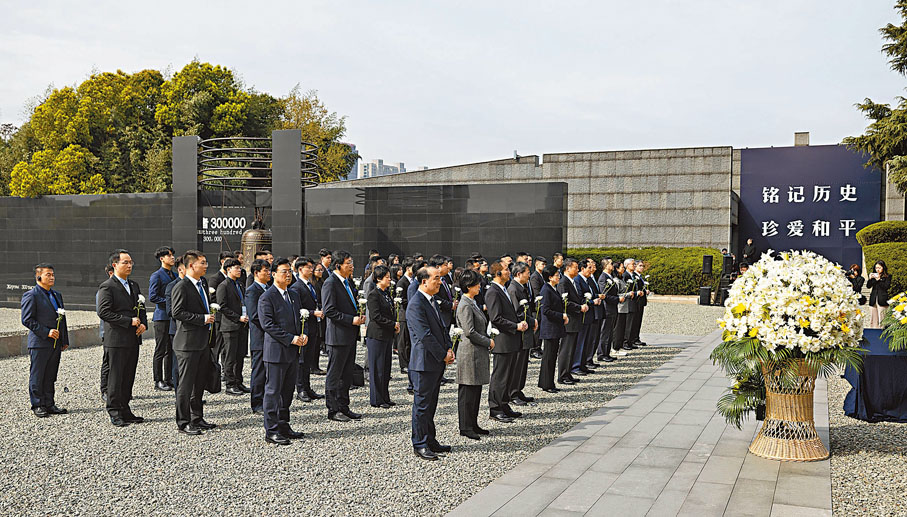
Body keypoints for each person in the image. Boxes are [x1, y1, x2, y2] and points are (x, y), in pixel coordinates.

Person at [407, 266, 455, 460]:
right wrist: (442, 354)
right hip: (424, 362)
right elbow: (425, 336)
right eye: (436, 278)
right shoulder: (416, 303)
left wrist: (449, 348)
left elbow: (442, 328)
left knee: (431, 403)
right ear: (424, 281)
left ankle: (430, 439)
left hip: (435, 361)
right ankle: (419, 443)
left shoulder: (431, 300)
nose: (440, 282)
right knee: (422, 404)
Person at [258, 258, 308, 445]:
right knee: (273, 391)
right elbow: (268, 325)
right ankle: (271, 430)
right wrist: (291, 338)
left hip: (293, 351)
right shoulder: (267, 297)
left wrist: (303, 335)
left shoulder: (293, 295)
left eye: (290, 271)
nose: (288, 275)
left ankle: (283, 424)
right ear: (273, 274)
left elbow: (299, 320)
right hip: (276, 352)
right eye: (284, 271)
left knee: (287, 391)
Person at [96, 249, 148, 427]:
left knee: (128, 376)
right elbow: (103, 312)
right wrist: (128, 321)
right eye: (125, 262)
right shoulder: (107, 286)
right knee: (116, 377)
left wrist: (143, 324)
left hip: (133, 338)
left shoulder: (133, 285)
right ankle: (114, 411)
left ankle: (126, 409)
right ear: (114, 265)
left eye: (131, 262)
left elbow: (140, 308)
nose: (129, 265)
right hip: (117, 339)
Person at [171, 250, 216, 436]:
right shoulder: (181, 287)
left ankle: (197, 417)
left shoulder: (202, 284)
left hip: (202, 342)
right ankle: (183, 422)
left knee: (199, 383)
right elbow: (177, 312)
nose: (206, 266)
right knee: (185, 385)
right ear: (191, 265)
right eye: (202, 263)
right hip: (187, 343)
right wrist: (202, 318)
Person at [322, 250, 365, 422]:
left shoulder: (347, 283)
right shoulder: (330, 283)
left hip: (349, 336)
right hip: (337, 337)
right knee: (335, 374)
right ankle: (333, 409)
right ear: (338, 265)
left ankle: (344, 406)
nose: (352, 266)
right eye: (349, 263)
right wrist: (351, 320)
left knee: (346, 374)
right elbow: (329, 310)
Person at [21, 263, 69, 418]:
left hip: (55, 343)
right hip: (40, 343)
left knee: (51, 374)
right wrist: (46, 332)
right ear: (38, 276)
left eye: (53, 274)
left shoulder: (57, 295)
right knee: (38, 374)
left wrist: (64, 339)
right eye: (48, 274)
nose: (52, 277)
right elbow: (27, 319)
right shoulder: (31, 295)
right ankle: (38, 404)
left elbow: (62, 320)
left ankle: (49, 403)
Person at [486, 261, 529, 422]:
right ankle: (495, 408)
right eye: (505, 270)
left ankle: (504, 404)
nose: (509, 272)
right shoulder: (493, 291)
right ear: (497, 273)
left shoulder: (503, 289)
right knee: (500, 376)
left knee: (508, 375)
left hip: (511, 340)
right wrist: (515, 326)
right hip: (502, 341)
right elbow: (496, 318)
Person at [455, 269, 493, 440]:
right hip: (469, 353)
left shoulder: (472, 302)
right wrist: (488, 341)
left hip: (477, 353)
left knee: (476, 390)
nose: (480, 286)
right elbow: (469, 331)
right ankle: (465, 426)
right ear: (468, 286)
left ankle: (473, 423)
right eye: (477, 283)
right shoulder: (464, 304)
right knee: (467, 391)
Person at [289, 257, 325, 403]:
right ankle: (301, 389)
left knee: (308, 359)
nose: (311, 270)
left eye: (311, 267)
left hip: (313, 327)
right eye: (308, 267)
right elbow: (296, 309)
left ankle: (308, 387)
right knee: (301, 360)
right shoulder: (296, 287)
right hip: (304, 327)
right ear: (300, 269)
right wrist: (312, 312)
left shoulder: (310, 285)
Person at [366, 265, 399, 408]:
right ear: (379, 279)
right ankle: (376, 399)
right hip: (377, 335)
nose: (389, 280)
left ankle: (385, 397)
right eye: (387, 277)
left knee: (386, 368)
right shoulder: (374, 294)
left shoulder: (387, 293)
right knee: (377, 368)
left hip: (386, 335)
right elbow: (376, 316)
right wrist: (392, 324)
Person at [216, 258, 250, 396]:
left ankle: (238, 381)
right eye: (236, 268)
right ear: (228, 269)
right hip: (230, 326)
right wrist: (238, 317)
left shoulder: (240, 285)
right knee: (230, 357)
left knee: (240, 355)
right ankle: (230, 384)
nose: (239, 270)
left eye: (240, 268)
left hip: (242, 325)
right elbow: (222, 307)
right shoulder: (223, 286)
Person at [507, 261, 537, 407]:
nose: (529, 275)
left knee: (523, 363)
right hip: (520, 332)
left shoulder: (521, 287)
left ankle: (519, 389)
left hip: (526, 331)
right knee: (517, 364)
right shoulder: (513, 289)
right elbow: (518, 312)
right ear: (519, 274)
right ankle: (513, 392)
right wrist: (532, 321)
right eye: (527, 273)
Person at [245, 259, 271, 414]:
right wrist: (271, 324)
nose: (268, 273)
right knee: (259, 371)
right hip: (260, 338)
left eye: (269, 270)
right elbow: (254, 315)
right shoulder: (252, 291)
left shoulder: (268, 288)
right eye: (265, 271)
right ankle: (257, 403)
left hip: (270, 337)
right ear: (256, 273)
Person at [149, 246, 177, 391]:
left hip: (172, 317)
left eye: (173, 255)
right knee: (160, 349)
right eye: (169, 255)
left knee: (171, 349)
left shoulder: (175, 275)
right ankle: (158, 380)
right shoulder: (157, 275)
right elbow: (152, 296)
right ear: (162, 258)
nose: (172, 258)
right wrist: (169, 302)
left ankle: (169, 378)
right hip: (161, 317)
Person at [557, 258, 588, 385]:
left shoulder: (572, 281)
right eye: (575, 267)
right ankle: (562, 375)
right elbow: (565, 302)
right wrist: (579, 307)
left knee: (572, 348)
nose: (577, 269)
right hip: (569, 321)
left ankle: (568, 373)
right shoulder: (563, 282)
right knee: (566, 349)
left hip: (575, 321)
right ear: (568, 268)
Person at [538, 265, 567, 393]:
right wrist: (561, 316)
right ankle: (546, 383)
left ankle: (550, 382)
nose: (558, 277)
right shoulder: (546, 290)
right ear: (550, 277)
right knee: (548, 358)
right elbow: (546, 310)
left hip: (555, 328)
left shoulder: (553, 289)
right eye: (556, 275)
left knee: (552, 357)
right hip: (549, 329)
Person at [164, 257, 186, 390]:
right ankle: (180, 394)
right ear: (180, 270)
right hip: (178, 330)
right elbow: (170, 311)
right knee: (178, 364)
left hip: (196, 331)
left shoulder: (201, 283)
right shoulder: (172, 286)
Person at [596, 258, 618, 363]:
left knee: (610, 332)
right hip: (607, 308)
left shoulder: (610, 277)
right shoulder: (603, 278)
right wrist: (618, 299)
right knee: (605, 332)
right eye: (611, 263)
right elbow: (605, 295)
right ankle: (602, 353)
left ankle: (607, 352)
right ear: (606, 265)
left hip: (613, 308)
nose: (613, 265)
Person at [98, 265, 114, 402]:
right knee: (108, 362)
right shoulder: (105, 289)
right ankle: (105, 389)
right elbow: (104, 312)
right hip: (108, 332)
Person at [395, 258, 414, 375]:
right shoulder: (402, 282)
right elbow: (402, 300)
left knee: (408, 341)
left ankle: (408, 361)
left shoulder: (411, 281)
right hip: (403, 314)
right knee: (403, 340)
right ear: (408, 268)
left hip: (409, 314)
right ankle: (403, 364)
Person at [611, 261, 632, 357]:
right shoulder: (616, 280)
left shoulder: (622, 279)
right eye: (621, 267)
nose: (623, 269)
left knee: (622, 328)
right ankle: (615, 347)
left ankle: (618, 346)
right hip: (619, 307)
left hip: (625, 307)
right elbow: (616, 295)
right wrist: (628, 294)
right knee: (617, 329)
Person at [528, 257, 547, 360]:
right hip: (536, 307)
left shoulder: (542, 276)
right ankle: (534, 349)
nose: (543, 266)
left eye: (544, 265)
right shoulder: (535, 277)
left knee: (540, 328)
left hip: (542, 305)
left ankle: (538, 347)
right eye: (542, 264)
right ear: (536, 265)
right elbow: (536, 292)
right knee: (536, 328)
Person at [867, 260, 891, 328]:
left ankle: (882, 334)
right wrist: (870, 279)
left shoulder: (887, 276)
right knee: (873, 319)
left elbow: (886, 287)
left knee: (882, 319)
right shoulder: (874, 276)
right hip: (873, 299)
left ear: (883, 268)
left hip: (882, 299)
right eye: (876, 268)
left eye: (879, 268)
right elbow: (868, 286)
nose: (877, 269)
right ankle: (873, 333)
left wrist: (879, 279)